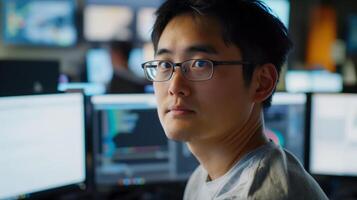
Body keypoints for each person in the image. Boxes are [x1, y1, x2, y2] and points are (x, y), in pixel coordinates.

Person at [141, 0, 329, 199]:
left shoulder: (265, 193)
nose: (175, 87)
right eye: (164, 64)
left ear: (262, 83)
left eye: (200, 63)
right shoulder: (202, 178)